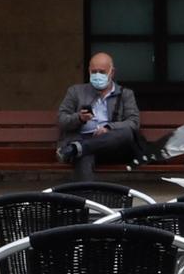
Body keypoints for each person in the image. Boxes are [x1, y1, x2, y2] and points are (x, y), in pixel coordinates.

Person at [56, 52, 141, 181]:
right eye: (94, 71)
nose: (97, 75)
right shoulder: (75, 91)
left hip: (112, 147)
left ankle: (77, 148)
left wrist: (108, 128)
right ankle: (87, 197)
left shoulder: (125, 94)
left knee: (126, 133)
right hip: (83, 141)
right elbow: (62, 120)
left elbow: (134, 122)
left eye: (101, 72)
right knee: (83, 154)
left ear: (111, 73)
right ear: (89, 71)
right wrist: (79, 118)